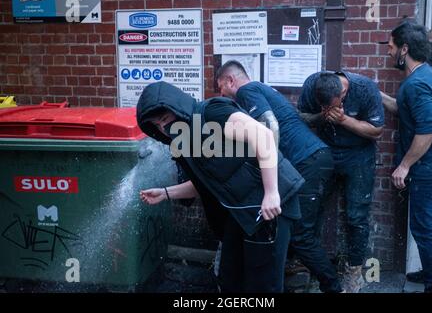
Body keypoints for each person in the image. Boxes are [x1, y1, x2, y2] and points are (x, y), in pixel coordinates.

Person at [136, 81, 304, 292]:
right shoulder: (187, 141)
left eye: (165, 119)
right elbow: (205, 185)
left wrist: (271, 193)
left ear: (179, 108)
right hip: (242, 212)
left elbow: (263, 136)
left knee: (263, 285)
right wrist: (166, 193)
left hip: (272, 205)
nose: (163, 128)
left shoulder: (212, 112)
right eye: (156, 125)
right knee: (230, 278)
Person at [215, 60, 343, 293]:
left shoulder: (246, 91)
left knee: (301, 235)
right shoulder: (264, 88)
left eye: (220, 87)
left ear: (229, 80)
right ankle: (297, 271)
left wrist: (268, 164)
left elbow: (270, 126)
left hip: (309, 161)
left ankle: (334, 287)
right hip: (317, 158)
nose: (221, 94)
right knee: (300, 227)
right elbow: (295, 118)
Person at [298, 71, 384, 293]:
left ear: (344, 91)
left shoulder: (364, 88)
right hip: (325, 150)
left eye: (336, 105)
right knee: (312, 207)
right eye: (326, 106)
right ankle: (309, 264)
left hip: (359, 155)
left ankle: (354, 271)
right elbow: (302, 117)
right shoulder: (312, 84)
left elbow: (376, 131)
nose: (332, 109)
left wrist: (344, 119)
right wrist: (322, 117)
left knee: (357, 215)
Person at [382, 20, 432, 293]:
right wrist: (378, 95)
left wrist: (404, 166)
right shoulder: (427, 74)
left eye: (391, 47)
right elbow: (406, 109)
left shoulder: (415, 84)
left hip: (429, 169)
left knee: (423, 229)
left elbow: (428, 128)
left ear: (404, 49)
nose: (388, 52)